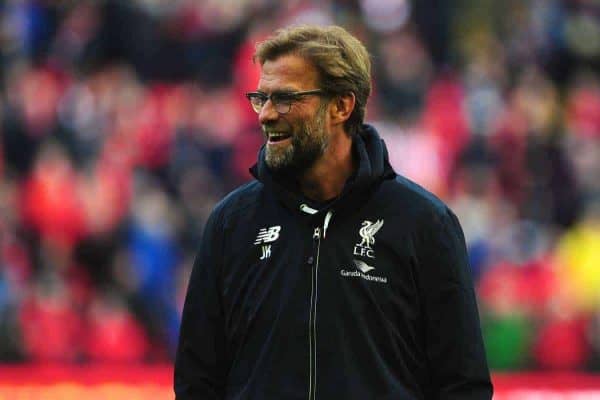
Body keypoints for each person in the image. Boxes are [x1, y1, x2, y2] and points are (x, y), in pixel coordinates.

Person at [174, 25, 493, 399]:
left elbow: (462, 385)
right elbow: (198, 382)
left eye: (285, 99)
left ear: (342, 105)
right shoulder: (232, 223)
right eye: (261, 98)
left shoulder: (423, 224)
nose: (265, 114)